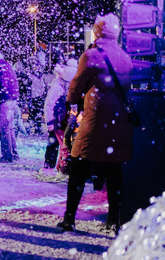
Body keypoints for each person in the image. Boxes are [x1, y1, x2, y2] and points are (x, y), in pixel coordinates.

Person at [57, 13, 133, 235]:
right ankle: (113, 220)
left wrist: (74, 98)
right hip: (118, 123)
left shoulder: (91, 55)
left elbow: (74, 90)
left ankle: (70, 218)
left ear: (97, 31)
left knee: (79, 165)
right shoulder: (125, 57)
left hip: (95, 120)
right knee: (114, 171)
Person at [42, 59, 78, 176]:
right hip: (57, 121)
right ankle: (50, 166)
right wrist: (49, 121)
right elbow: (48, 104)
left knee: (61, 144)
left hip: (62, 121)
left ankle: (58, 166)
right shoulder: (57, 88)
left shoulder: (65, 87)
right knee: (56, 144)